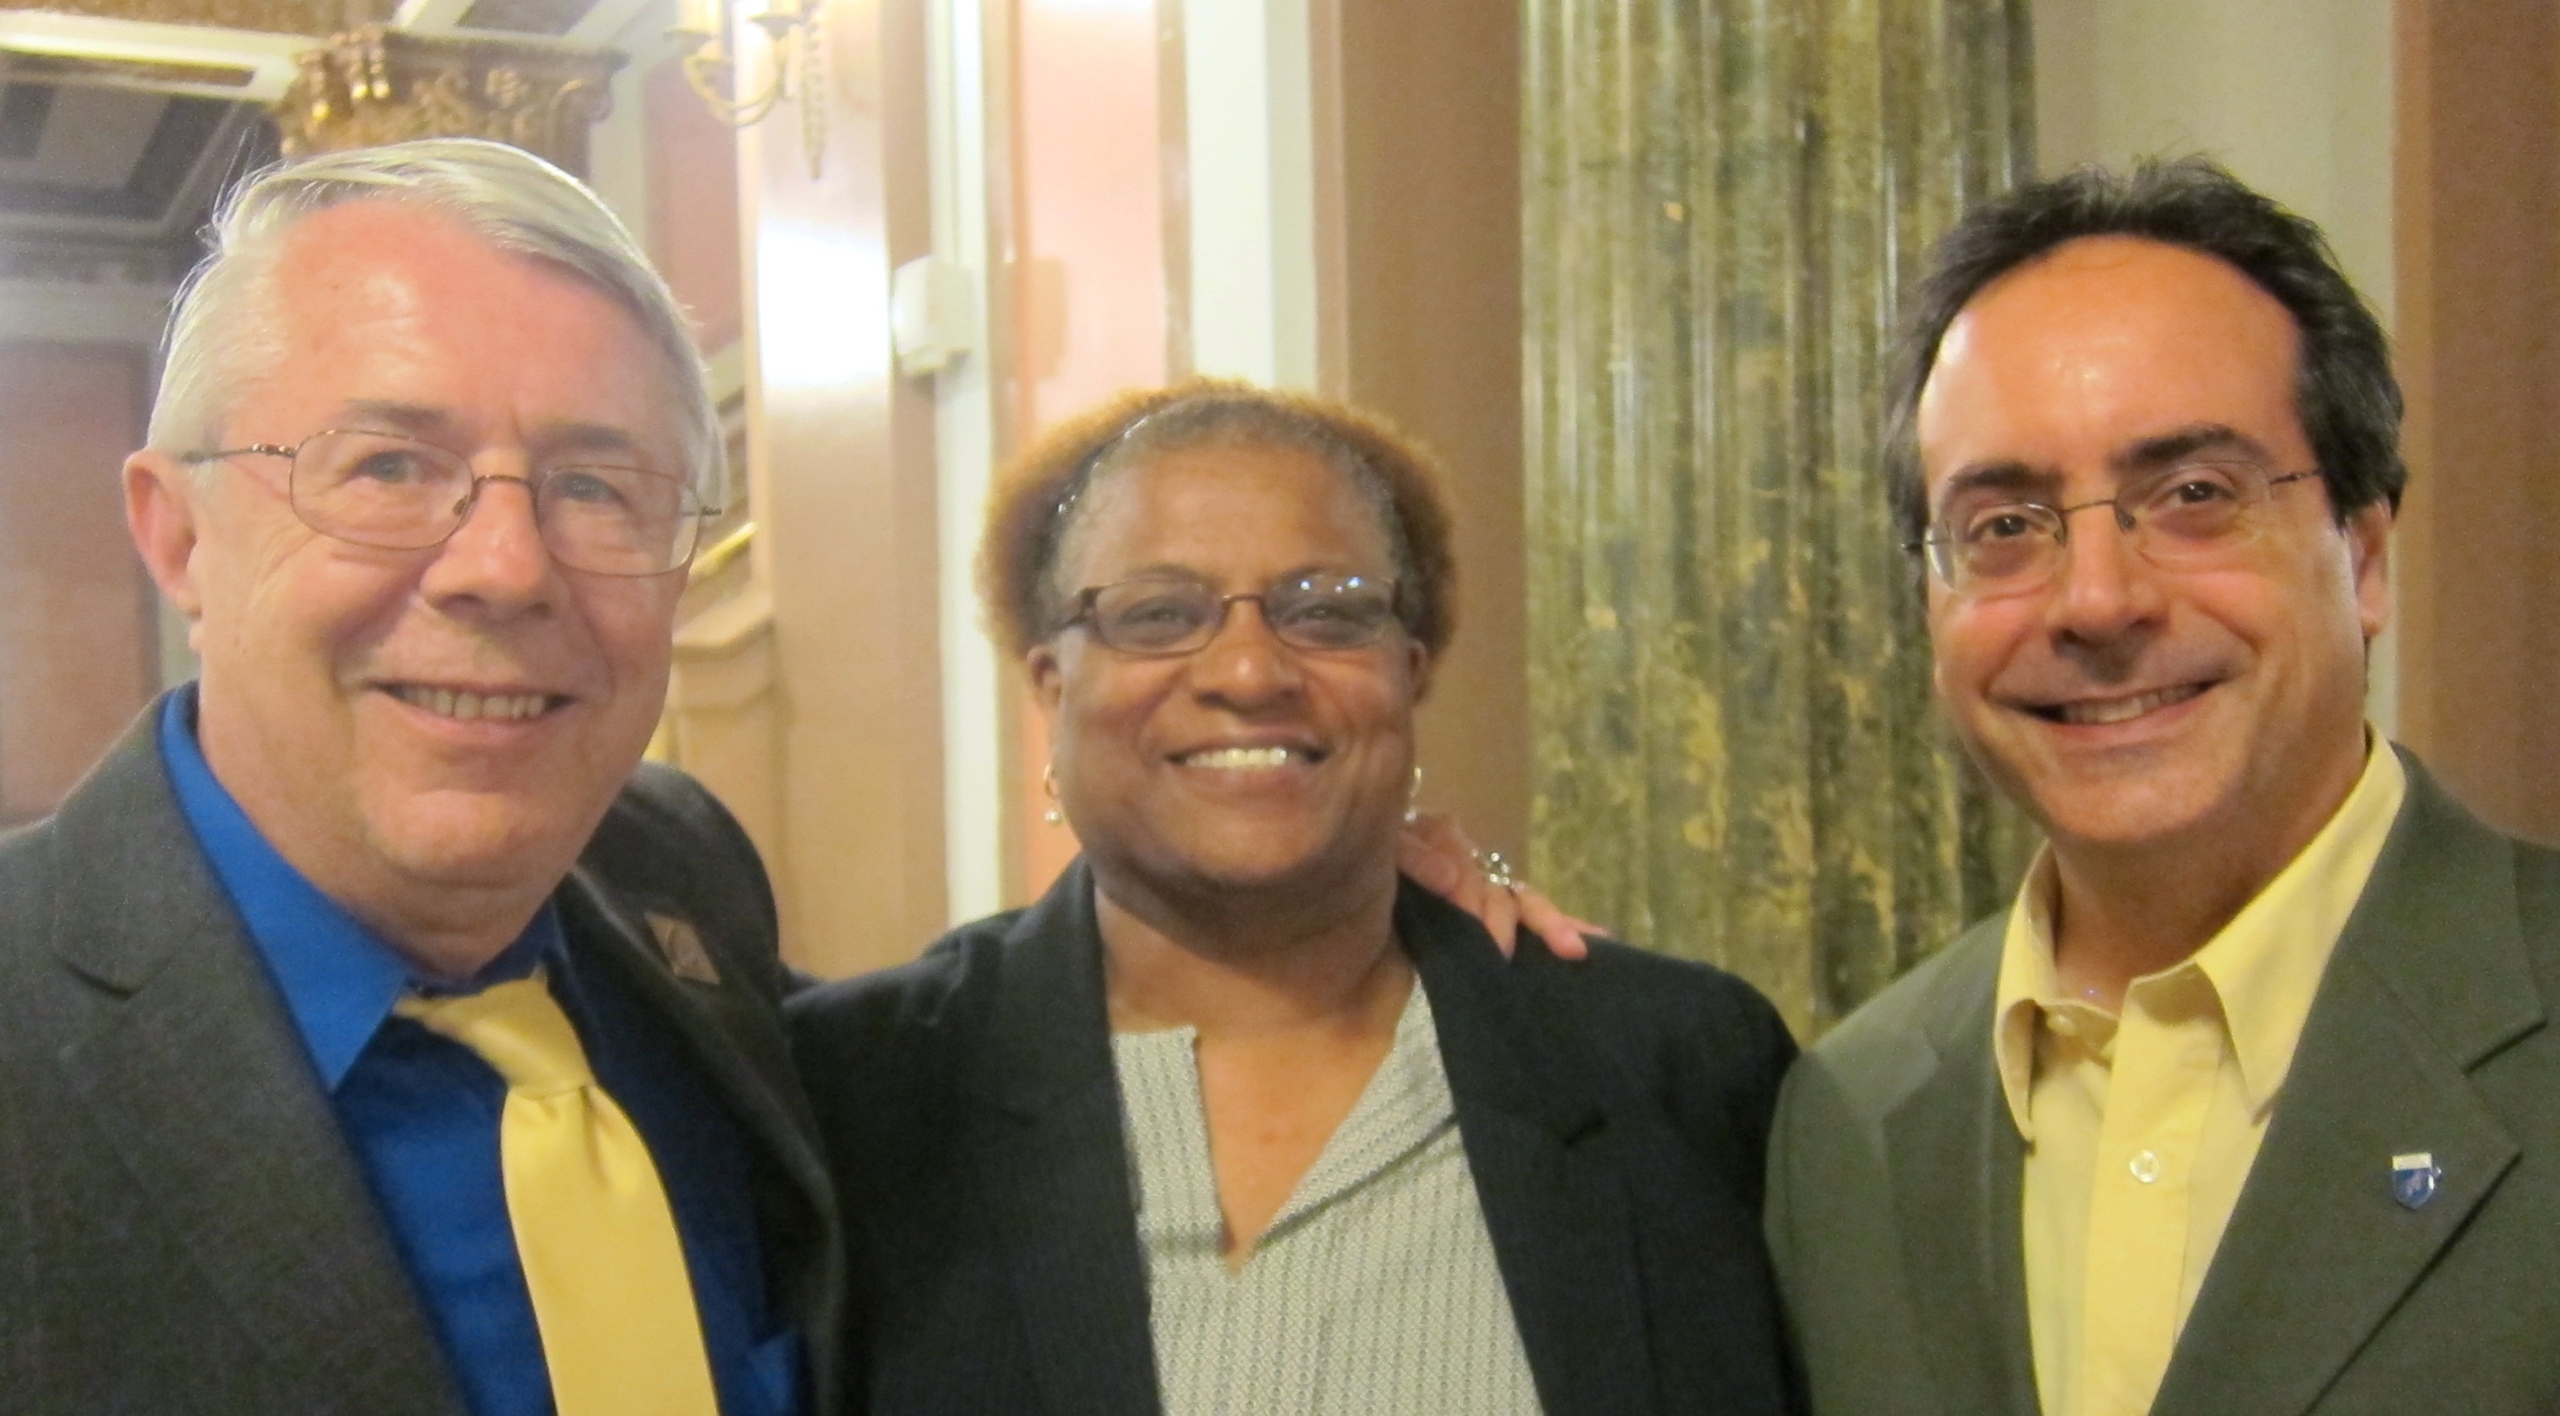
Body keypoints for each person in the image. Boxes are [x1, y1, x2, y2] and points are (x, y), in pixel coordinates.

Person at [0, 140, 837, 1416]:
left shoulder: (677, 872)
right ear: (179, 536)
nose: (506, 568)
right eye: (389, 467)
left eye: (596, 488)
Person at [791, 380, 1801, 1415]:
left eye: (1325, 610)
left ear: (1409, 672)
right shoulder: (855, 1097)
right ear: (1052, 683)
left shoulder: (1675, 1071)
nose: (1247, 670)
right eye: (1159, 614)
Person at [1765, 158, 2560, 1416]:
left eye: (2193, 496)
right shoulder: (1844, 1122)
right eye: (2004, 526)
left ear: (2362, 556)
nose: (2097, 600)